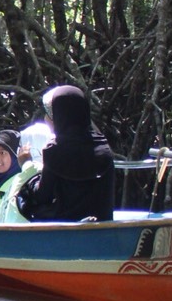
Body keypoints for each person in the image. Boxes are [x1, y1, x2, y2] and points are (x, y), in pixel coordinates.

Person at [15, 85, 116, 222]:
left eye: (52, 114)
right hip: (102, 226)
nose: (46, 118)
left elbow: (43, 196)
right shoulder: (104, 147)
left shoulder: (55, 151)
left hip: (66, 227)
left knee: (24, 200)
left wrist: (30, 176)